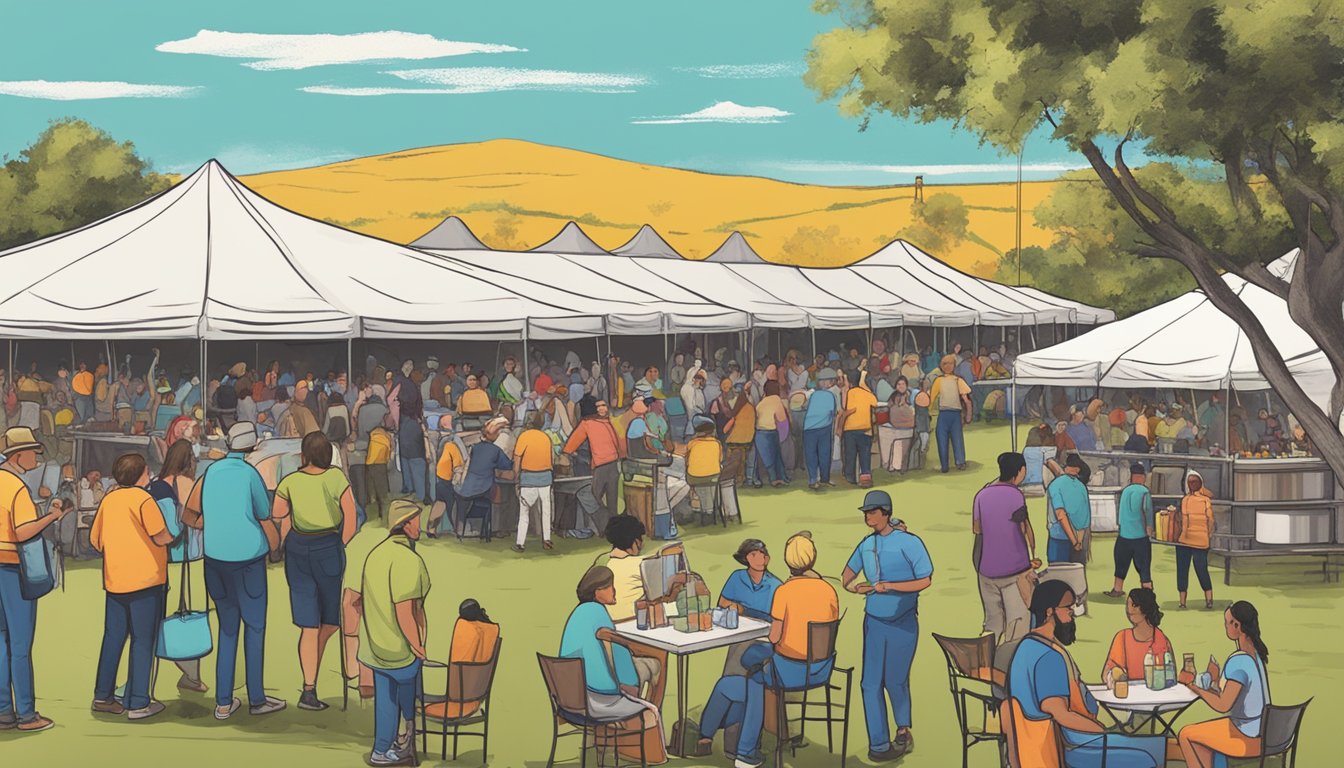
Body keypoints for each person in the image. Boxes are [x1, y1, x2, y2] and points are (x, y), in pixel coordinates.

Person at [692, 532, 837, 767]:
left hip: (787, 671)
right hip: (820, 669)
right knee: (740, 680)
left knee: (740, 680)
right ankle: (724, 740)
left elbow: (775, 636)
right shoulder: (828, 590)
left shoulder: (783, 591)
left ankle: (741, 750)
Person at [182, 421, 287, 720]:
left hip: (215, 560)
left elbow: (188, 514)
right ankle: (256, 698)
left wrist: (212, 525)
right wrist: (276, 547)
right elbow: (265, 518)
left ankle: (223, 702)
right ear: (252, 447)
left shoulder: (210, 472)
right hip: (248, 560)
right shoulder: (250, 475)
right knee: (255, 628)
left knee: (227, 629)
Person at [1003, 580, 1166, 767]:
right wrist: (1099, 730)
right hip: (1075, 745)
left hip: (1065, 741)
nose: (1073, 613)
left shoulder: (1028, 646)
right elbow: (1060, 713)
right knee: (1150, 754)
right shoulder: (1048, 657)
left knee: (1158, 745)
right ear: (1050, 612)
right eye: (1068, 608)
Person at [843, 490, 934, 761]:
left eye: (872, 512)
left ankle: (902, 729)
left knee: (895, 680)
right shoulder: (865, 545)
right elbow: (846, 576)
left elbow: (925, 579)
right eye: (866, 513)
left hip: (902, 621)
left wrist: (891, 586)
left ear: (886, 512)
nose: (868, 517)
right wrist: (854, 587)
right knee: (870, 684)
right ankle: (879, 745)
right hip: (873, 622)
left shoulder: (909, 542)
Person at [271, 431, 357, 711]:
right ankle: (309, 687)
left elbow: (278, 513)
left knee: (315, 623)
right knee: (323, 622)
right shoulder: (336, 478)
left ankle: (310, 682)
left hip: (299, 547)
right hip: (326, 546)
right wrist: (338, 545)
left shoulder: (290, 481)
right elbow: (351, 521)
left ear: (304, 454)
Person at [90, 453, 174, 720]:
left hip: (115, 580)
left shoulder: (109, 499)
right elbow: (161, 536)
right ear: (143, 473)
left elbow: (96, 540)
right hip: (145, 580)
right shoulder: (143, 499)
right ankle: (138, 702)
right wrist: (175, 536)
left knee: (113, 638)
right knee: (142, 640)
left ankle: (103, 696)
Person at [560, 566, 668, 765]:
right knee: (658, 665)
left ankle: (618, 732)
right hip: (596, 700)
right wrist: (630, 685)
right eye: (609, 587)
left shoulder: (579, 613)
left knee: (639, 666)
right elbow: (618, 647)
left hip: (569, 698)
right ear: (597, 592)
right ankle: (642, 744)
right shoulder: (598, 613)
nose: (614, 591)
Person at [0, 428, 68, 732]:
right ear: (18, 456)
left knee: (1, 642)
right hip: (13, 567)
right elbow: (24, 531)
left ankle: (3, 710)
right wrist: (52, 516)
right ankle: (26, 714)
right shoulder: (16, 487)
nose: (36, 457)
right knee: (20, 643)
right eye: (32, 452)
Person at [359, 500, 431, 766]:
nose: (419, 525)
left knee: (385, 698)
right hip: (400, 647)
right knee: (409, 692)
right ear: (407, 523)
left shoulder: (376, 554)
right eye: (416, 520)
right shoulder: (407, 560)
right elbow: (406, 611)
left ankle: (382, 748)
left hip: (376, 644)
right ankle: (406, 739)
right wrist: (417, 645)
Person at [1175, 601, 1272, 768]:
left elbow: (1222, 705)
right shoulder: (1256, 655)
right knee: (1201, 739)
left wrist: (1193, 685)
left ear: (1237, 625)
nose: (1226, 627)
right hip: (1263, 732)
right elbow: (1234, 694)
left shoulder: (1239, 661)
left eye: (1227, 623)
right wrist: (1214, 681)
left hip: (1247, 737)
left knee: (1185, 734)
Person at [147, 439, 208, 693]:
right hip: (188, 557)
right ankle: (190, 674)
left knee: (161, 617)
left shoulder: (154, 486)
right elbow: (196, 520)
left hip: (161, 558)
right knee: (189, 615)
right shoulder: (188, 485)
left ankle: (148, 679)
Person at [973, 452, 1038, 645]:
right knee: (1017, 625)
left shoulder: (981, 495)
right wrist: (1032, 558)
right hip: (1014, 571)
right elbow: (1025, 528)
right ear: (1021, 471)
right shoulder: (1015, 495)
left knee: (992, 624)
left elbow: (978, 530)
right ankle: (1010, 669)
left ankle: (985, 664)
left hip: (986, 570)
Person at [425, 599, 500, 720]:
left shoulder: (465, 628)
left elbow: (459, 663)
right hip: (478, 696)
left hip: (457, 701)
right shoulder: (491, 631)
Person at [563, 396, 624, 533]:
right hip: (614, 464)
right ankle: (615, 529)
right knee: (612, 500)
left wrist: (572, 454)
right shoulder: (607, 422)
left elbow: (569, 447)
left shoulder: (587, 423)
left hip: (601, 466)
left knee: (594, 498)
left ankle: (605, 527)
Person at [456, 417, 515, 541]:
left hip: (467, 487)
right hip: (483, 488)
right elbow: (507, 465)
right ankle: (496, 528)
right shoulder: (495, 450)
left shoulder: (476, 448)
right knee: (499, 493)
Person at [1101, 588, 1173, 684]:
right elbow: (1108, 672)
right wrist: (1114, 675)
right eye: (1128, 605)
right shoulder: (1122, 637)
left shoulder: (1162, 640)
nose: (1129, 609)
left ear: (1146, 607)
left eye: (1134, 605)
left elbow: (1170, 675)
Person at [1107, 463, 1155, 598]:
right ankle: (1147, 591)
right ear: (1142, 477)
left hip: (1123, 535)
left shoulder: (1125, 491)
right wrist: (1149, 529)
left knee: (1121, 564)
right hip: (1140, 536)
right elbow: (1148, 511)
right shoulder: (1144, 492)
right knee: (1144, 566)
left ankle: (1117, 589)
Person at [513, 411, 555, 553]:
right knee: (546, 511)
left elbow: (517, 460)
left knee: (524, 512)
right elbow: (552, 459)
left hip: (528, 478)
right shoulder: (546, 437)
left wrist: (516, 477)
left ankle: (520, 542)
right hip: (545, 478)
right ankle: (547, 539)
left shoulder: (523, 436)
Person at [1175, 470, 1215, 610]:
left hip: (1186, 540)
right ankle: (1209, 600)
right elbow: (1210, 520)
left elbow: (1185, 521)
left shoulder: (1185, 500)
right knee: (1202, 570)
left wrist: (1183, 536)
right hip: (1202, 541)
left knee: (1182, 570)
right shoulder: (1206, 500)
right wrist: (1208, 535)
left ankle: (1182, 602)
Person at [717, 538, 784, 622]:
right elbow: (722, 604)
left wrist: (743, 610)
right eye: (753, 555)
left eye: (762, 554)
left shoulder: (776, 585)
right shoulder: (737, 576)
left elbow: (778, 618)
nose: (760, 559)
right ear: (746, 558)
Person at [928, 354, 972, 472]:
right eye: (945, 364)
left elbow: (966, 399)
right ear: (942, 366)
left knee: (957, 438)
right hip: (943, 413)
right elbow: (932, 398)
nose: (948, 366)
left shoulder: (958, 380)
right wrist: (929, 411)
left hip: (955, 414)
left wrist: (968, 415)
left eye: (950, 364)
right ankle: (944, 465)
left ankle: (960, 462)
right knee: (941, 438)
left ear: (954, 365)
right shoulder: (938, 380)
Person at [1046, 453, 1091, 565]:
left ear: (1066, 467)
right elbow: (1084, 518)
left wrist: (1074, 541)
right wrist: (1078, 542)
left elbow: (1061, 514)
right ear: (1078, 469)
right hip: (1080, 539)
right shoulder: (1082, 488)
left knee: (1057, 576)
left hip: (1059, 538)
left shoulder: (1055, 485)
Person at [838, 369, 878, 487]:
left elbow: (846, 406)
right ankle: (865, 477)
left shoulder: (849, 392)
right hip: (865, 428)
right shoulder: (866, 393)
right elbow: (875, 402)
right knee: (865, 454)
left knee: (850, 454)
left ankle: (850, 477)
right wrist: (864, 385)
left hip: (850, 428)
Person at [802, 367, 839, 490]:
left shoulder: (813, 395)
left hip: (809, 427)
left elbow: (804, 406)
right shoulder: (831, 395)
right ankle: (824, 478)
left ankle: (813, 479)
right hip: (824, 427)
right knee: (824, 453)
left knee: (811, 453)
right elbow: (833, 412)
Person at [427, 417, 464, 538]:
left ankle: (431, 529)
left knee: (439, 502)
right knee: (452, 505)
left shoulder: (438, 439)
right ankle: (458, 530)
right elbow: (459, 463)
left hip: (440, 476)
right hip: (449, 478)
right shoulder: (452, 442)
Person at [685, 416, 724, 519]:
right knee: (710, 478)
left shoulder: (692, 443)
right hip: (714, 477)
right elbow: (720, 459)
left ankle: (696, 507)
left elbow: (687, 461)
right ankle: (709, 509)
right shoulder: (717, 443)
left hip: (694, 477)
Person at [753, 380, 789, 487]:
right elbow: (781, 418)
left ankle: (774, 478)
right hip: (771, 430)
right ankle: (781, 478)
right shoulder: (776, 399)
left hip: (759, 431)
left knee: (767, 457)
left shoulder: (761, 402)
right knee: (776, 455)